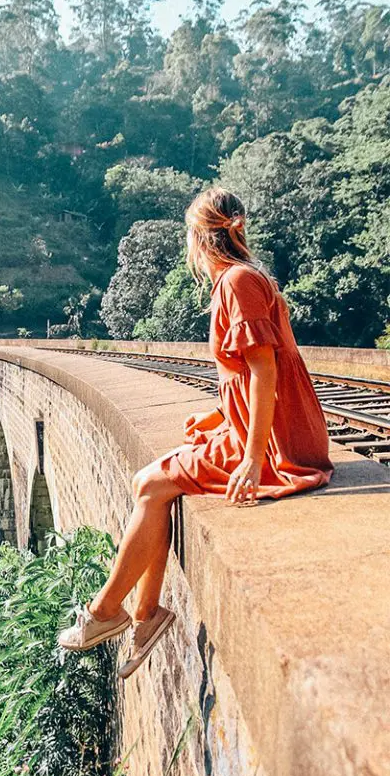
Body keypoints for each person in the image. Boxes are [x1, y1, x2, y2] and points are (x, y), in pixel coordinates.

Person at [57, 186, 334, 679]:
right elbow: (249, 376)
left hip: (278, 445)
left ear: (199, 239)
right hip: (275, 430)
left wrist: (250, 460)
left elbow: (266, 373)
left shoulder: (236, 284)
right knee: (155, 485)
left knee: (149, 483)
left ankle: (108, 613)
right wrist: (219, 417)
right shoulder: (246, 278)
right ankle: (142, 616)